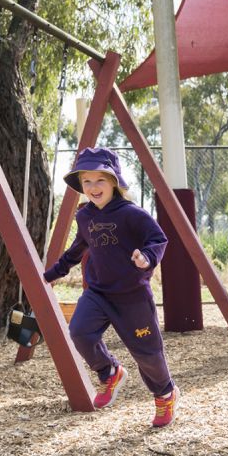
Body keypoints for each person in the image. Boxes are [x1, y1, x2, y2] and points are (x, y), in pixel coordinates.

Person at [44, 147, 179, 428]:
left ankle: (165, 393)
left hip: (132, 297)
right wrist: (52, 273)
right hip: (98, 293)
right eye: (87, 182)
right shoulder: (85, 216)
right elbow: (77, 249)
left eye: (100, 180)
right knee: (79, 332)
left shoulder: (132, 214)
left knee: (148, 354)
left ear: (114, 182)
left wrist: (146, 258)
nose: (93, 188)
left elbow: (158, 239)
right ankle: (109, 371)